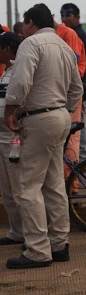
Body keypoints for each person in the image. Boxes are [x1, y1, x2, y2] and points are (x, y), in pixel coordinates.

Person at [4, 4, 82, 269]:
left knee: (27, 186)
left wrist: (11, 108)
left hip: (38, 118)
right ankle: (59, 244)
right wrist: (65, 108)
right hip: (60, 116)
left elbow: (21, 81)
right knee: (53, 183)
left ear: (29, 23)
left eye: (24, 25)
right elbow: (76, 88)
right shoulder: (63, 46)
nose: (22, 30)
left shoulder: (31, 43)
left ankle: (37, 249)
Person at [54, 17, 86, 180]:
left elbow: (72, 63)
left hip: (69, 92)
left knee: (70, 138)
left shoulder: (68, 34)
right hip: (60, 92)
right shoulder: (56, 35)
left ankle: (71, 183)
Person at [0, 32, 24, 247]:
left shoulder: (19, 70)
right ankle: (16, 231)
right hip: (1, 137)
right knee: (7, 189)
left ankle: (28, 233)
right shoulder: (6, 71)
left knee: (19, 188)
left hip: (13, 139)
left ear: (7, 48)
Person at [60, 3, 86, 160]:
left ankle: (81, 159)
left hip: (77, 86)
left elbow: (74, 63)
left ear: (77, 17)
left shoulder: (75, 34)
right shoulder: (71, 33)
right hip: (78, 85)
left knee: (77, 127)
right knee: (77, 125)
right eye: (62, 16)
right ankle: (81, 158)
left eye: (68, 15)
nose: (64, 19)